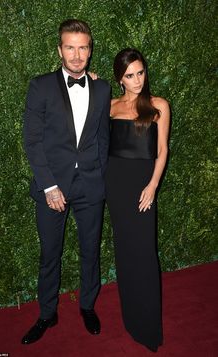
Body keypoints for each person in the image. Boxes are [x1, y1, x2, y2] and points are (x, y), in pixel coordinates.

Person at [22, 19, 111, 344]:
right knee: (50, 254)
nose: (76, 55)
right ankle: (47, 313)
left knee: (91, 252)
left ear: (90, 50)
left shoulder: (102, 88)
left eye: (83, 47)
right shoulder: (40, 85)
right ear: (60, 49)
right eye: (70, 47)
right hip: (52, 189)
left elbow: (103, 138)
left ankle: (87, 305)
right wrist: (49, 186)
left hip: (91, 187)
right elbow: (32, 140)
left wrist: (101, 178)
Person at [105, 48, 170, 352]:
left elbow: (162, 150)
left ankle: (148, 327)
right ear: (120, 78)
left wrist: (153, 185)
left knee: (144, 252)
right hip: (116, 184)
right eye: (129, 75)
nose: (137, 80)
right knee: (125, 251)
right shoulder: (110, 106)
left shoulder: (158, 105)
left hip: (143, 186)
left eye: (141, 72)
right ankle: (131, 318)